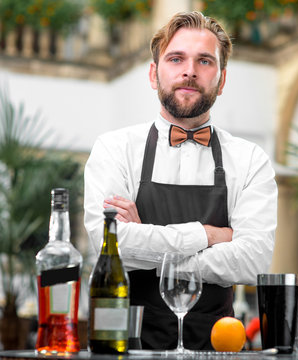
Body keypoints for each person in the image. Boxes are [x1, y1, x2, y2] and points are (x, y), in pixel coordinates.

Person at [84, 11, 277, 350]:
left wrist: (145, 245)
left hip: (219, 349)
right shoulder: (114, 149)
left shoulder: (250, 160)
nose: (190, 71)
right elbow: (109, 245)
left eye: (204, 61)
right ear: (154, 74)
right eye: (176, 59)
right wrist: (209, 235)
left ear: (222, 78)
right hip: (126, 347)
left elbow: (252, 260)